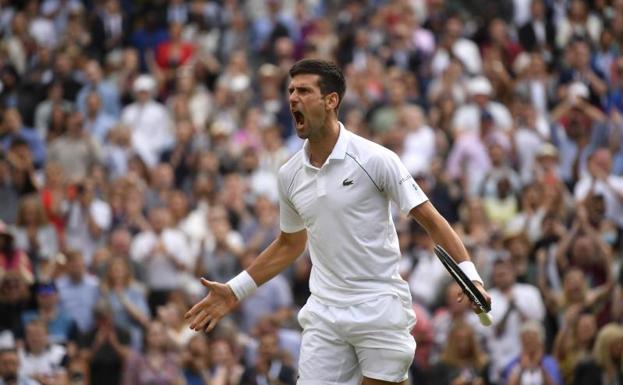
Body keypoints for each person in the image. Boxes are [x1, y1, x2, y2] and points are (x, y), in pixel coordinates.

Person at [185, 59, 491, 385]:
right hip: (324, 314)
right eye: (290, 91)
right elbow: (290, 243)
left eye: (303, 91)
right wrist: (234, 291)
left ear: (331, 101)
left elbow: (431, 220)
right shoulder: (289, 174)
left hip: (379, 308)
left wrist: (470, 275)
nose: (292, 98)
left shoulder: (377, 159)